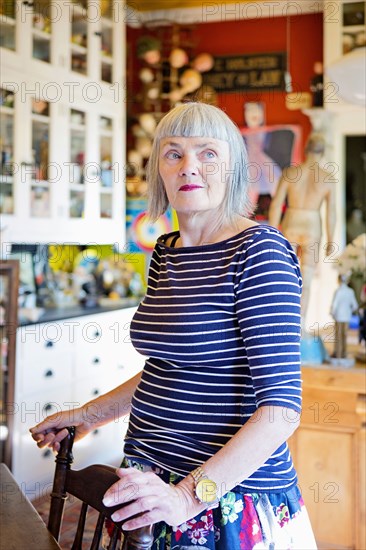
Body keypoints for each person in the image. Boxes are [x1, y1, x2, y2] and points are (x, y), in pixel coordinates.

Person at [30, 102, 317, 549]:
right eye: (173, 153)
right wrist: (89, 415)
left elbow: (281, 412)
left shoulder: (259, 252)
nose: (189, 167)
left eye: (208, 153)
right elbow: (169, 368)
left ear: (234, 167)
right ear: (158, 171)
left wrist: (187, 497)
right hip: (151, 486)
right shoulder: (167, 250)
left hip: (222, 499)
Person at [268, 133, 336, 331]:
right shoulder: (328, 178)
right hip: (312, 226)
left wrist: (272, 233)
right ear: (322, 153)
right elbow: (331, 213)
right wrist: (331, 239)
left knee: (284, 276)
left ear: (306, 149)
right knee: (306, 280)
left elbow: (275, 205)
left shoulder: (291, 173)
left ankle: (283, 323)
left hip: (291, 223)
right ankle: (300, 327)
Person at [330, 275, 359, 359]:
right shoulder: (350, 292)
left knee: (338, 336)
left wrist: (332, 313)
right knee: (344, 336)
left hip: (339, 317)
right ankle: (344, 354)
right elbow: (355, 306)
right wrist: (349, 311)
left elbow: (334, 304)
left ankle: (338, 354)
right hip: (347, 317)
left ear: (339, 280)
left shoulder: (338, 291)